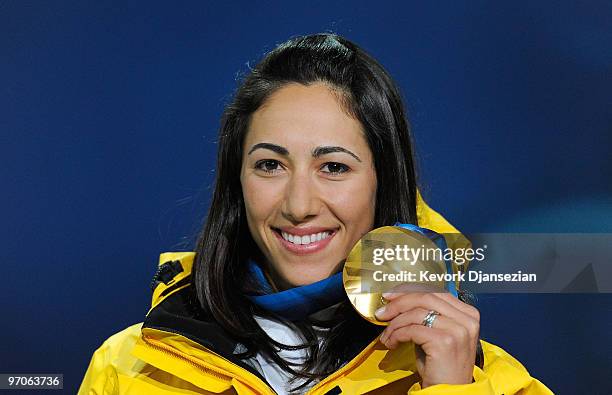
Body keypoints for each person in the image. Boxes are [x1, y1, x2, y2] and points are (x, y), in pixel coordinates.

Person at [79, 33, 552, 394]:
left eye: (333, 167)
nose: (299, 205)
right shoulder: (128, 367)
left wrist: (452, 389)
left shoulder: (487, 379)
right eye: (270, 165)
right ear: (235, 182)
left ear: (383, 181)